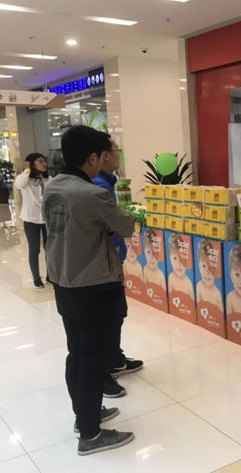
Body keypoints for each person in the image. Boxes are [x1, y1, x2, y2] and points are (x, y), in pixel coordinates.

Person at [43, 125, 135, 456]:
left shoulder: (53, 187)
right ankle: (91, 434)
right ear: (93, 158)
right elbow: (125, 226)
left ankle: (85, 415)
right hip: (94, 284)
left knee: (78, 353)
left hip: (64, 282)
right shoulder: (92, 193)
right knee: (94, 358)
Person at [91, 138, 143, 397]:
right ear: (103, 156)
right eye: (116, 151)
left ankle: (115, 358)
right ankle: (107, 369)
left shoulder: (106, 183)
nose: (119, 155)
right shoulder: (99, 187)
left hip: (111, 260)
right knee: (109, 316)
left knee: (116, 313)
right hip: (104, 264)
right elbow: (119, 225)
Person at [15, 153, 51, 288]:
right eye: (40, 161)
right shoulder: (24, 179)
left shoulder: (48, 179)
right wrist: (27, 170)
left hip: (47, 219)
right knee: (34, 249)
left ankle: (50, 276)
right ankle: (36, 278)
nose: (44, 164)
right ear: (31, 164)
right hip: (31, 218)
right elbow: (19, 184)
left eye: (44, 161)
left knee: (50, 249)